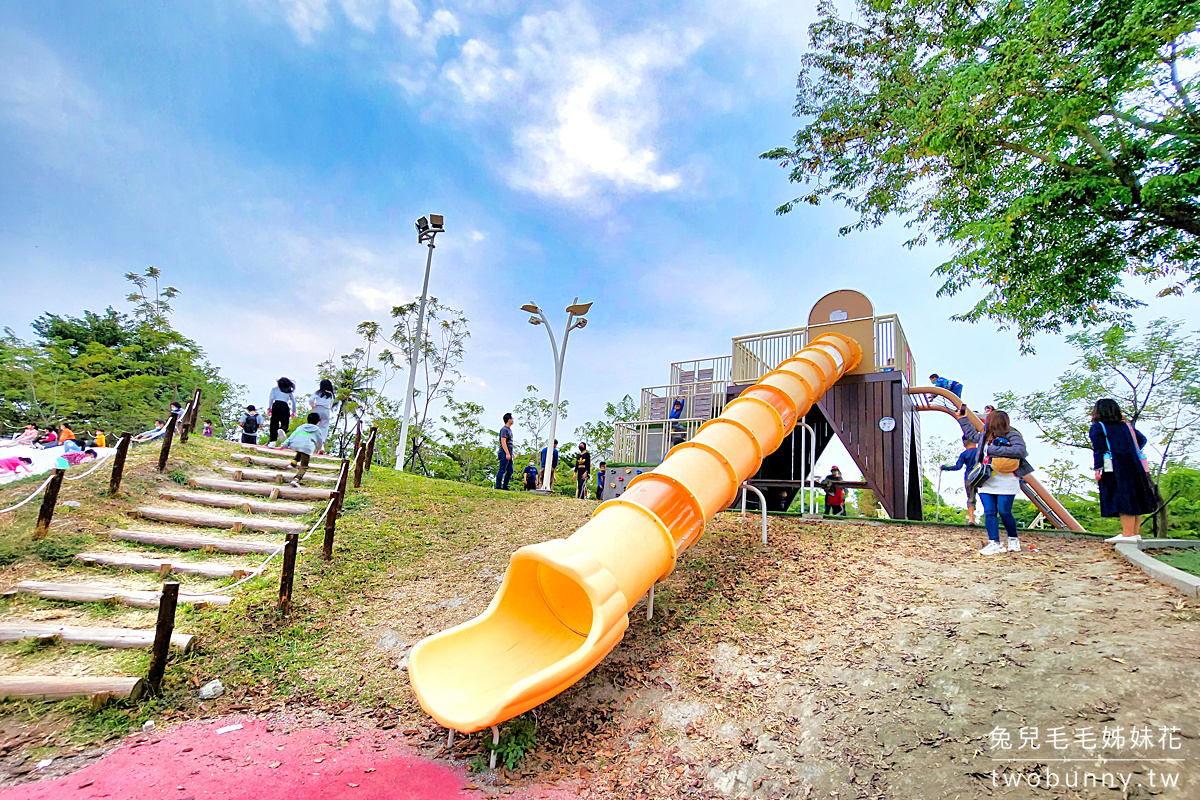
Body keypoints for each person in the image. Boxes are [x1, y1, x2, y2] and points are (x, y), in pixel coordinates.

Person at [959, 409, 1030, 555]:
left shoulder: (1013, 435)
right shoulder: (985, 436)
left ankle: (1013, 539)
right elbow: (972, 436)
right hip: (987, 478)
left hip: (1007, 479)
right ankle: (994, 542)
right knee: (990, 511)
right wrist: (963, 419)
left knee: (1004, 511)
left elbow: (1020, 451)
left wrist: (993, 450)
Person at [1089, 399, 1157, 543]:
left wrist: (1098, 468)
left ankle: (1127, 535)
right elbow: (1142, 439)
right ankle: (1134, 533)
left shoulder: (1098, 427)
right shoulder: (1127, 426)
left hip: (1113, 466)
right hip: (1134, 464)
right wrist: (1127, 448)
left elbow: (1099, 449)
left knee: (1122, 497)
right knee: (1136, 496)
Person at [941, 436, 981, 525]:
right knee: (986, 496)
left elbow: (958, 467)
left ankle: (971, 519)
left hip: (969, 477)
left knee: (971, 498)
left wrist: (945, 468)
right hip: (981, 475)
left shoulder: (964, 454)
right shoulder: (980, 451)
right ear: (975, 443)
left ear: (964, 445)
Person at [283, 412, 326, 488]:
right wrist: (321, 449)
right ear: (318, 422)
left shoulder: (301, 427)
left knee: (300, 452)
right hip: (307, 447)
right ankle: (296, 479)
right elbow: (319, 441)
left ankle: (293, 463)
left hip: (296, 444)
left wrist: (285, 443)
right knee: (304, 466)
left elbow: (293, 435)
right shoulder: (317, 430)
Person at [267, 378, 297, 446]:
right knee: (285, 421)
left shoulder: (274, 389)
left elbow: (271, 398)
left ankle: (272, 441)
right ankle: (282, 429)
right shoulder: (288, 391)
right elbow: (293, 401)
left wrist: (269, 408)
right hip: (284, 406)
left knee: (274, 423)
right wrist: (293, 411)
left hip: (276, 405)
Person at [310, 379, 336, 453]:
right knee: (324, 428)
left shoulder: (318, 392)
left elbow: (311, 400)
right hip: (326, 410)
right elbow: (332, 404)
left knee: (313, 426)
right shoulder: (331, 394)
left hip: (317, 409)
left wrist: (313, 405)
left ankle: (312, 444)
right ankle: (321, 446)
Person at [495, 413, 515, 490]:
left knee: (510, 470)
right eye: (512, 418)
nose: (513, 420)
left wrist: (511, 453)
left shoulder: (509, 430)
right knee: (502, 469)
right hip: (504, 453)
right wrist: (507, 453)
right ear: (509, 420)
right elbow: (503, 442)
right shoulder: (504, 430)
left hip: (509, 453)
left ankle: (505, 486)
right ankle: (498, 486)